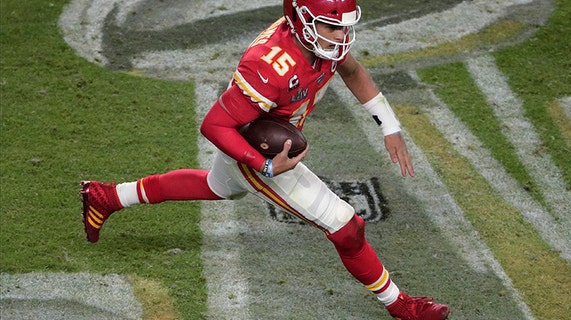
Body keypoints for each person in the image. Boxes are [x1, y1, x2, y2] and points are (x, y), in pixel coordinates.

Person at [80, 0, 450, 319]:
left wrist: (389, 125)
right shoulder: (270, 65)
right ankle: (402, 307)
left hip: (257, 130)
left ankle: (108, 196)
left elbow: (351, 69)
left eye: (344, 27)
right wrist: (266, 166)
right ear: (302, 20)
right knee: (345, 225)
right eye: (331, 27)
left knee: (217, 187)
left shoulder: (317, 38)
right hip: (253, 148)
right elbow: (214, 124)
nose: (340, 37)